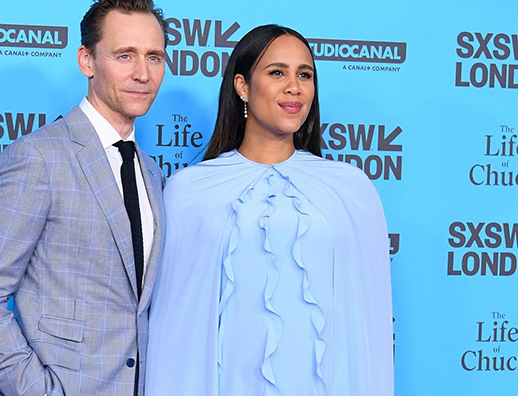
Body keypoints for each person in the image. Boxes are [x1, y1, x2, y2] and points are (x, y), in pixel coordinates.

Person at [145, 25, 394, 396]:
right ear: (242, 86)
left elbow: (367, 330)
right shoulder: (189, 192)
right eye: (277, 73)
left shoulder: (349, 190)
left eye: (304, 75)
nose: (294, 87)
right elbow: (174, 332)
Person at [0, 0, 167, 396]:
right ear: (87, 60)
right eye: (125, 56)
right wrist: (37, 390)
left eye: (153, 57)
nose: (143, 73)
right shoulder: (38, 158)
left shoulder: (150, 172)